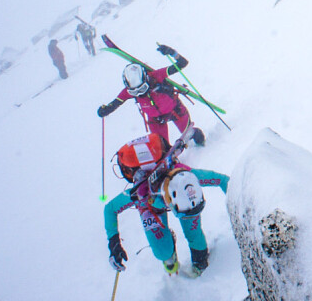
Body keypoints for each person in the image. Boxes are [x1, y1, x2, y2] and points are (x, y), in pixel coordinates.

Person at [104, 130, 229, 276]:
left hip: (169, 196)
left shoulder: (189, 177)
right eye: (182, 212)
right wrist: (113, 242)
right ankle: (169, 256)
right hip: (150, 205)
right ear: (170, 201)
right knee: (162, 252)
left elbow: (223, 180)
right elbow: (110, 209)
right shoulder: (140, 194)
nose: (187, 214)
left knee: (193, 230)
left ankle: (199, 261)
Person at [98, 44, 205, 146]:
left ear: (146, 79)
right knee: (161, 147)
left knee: (188, 133)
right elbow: (116, 103)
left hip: (175, 111)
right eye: (134, 92)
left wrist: (172, 52)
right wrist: (106, 110)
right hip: (155, 120)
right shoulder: (128, 91)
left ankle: (199, 139)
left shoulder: (157, 76)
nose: (139, 94)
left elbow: (182, 63)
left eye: (142, 88)